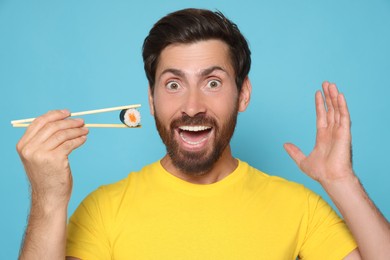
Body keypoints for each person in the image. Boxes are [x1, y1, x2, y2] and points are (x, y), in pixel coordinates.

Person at [17, 8, 389, 260]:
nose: (192, 106)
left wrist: (341, 180)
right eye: (173, 84)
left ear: (242, 94)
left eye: (212, 82)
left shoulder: (300, 208)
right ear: (151, 99)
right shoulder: (102, 210)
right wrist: (48, 199)